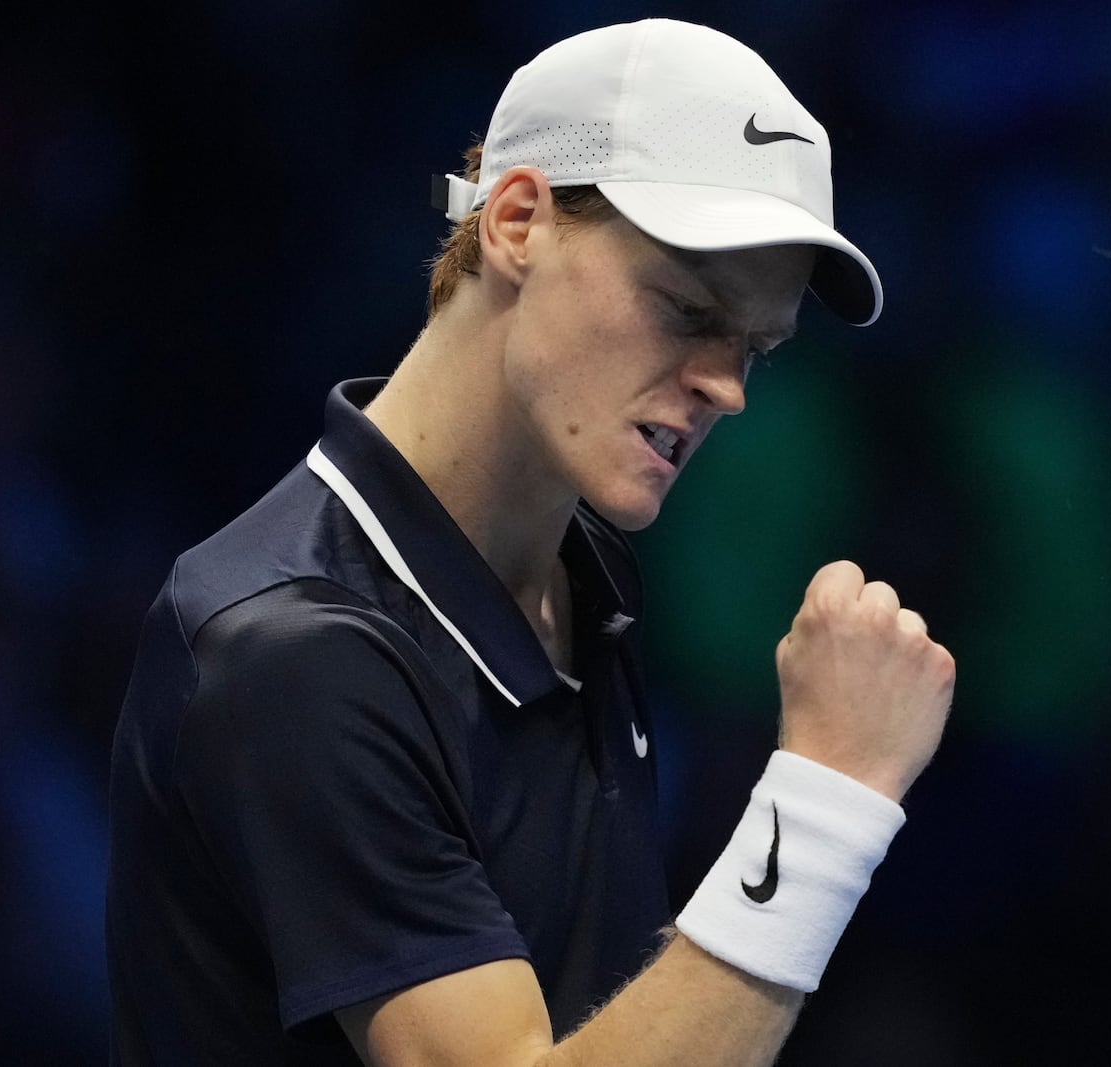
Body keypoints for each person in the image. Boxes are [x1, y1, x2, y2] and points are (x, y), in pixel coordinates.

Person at [107, 18, 954, 1066]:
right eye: (688, 311)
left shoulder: (584, 579)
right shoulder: (294, 651)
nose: (727, 389)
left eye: (754, 348)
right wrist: (826, 798)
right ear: (515, 221)